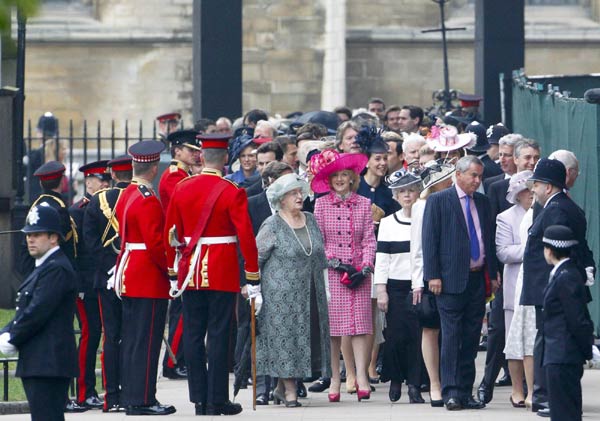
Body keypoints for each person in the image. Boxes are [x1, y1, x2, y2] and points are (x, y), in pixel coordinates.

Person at [164, 133, 260, 416]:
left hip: (190, 271)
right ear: (227, 159)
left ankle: (198, 399)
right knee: (218, 335)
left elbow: (171, 233)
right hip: (221, 271)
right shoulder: (232, 191)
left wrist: (172, 271)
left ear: (202, 157)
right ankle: (216, 399)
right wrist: (252, 276)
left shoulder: (183, 187)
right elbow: (246, 237)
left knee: (193, 335)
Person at [422, 155, 498, 410]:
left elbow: (488, 239)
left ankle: (466, 391)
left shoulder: (484, 203)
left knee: (471, 337)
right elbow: (429, 240)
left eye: (480, 176)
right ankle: (451, 391)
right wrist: (432, 275)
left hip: (478, 279)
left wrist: (493, 273)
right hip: (450, 279)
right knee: (452, 336)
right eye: (473, 176)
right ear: (459, 173)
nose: (477, 181)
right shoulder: (439, 200)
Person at [521, 158, 595, 417]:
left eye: (537, 184)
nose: (534, 189)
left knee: (551, 341)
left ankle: (547, 397)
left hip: (552, 289)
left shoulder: (557, 210)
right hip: (553, 286)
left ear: (549, 187)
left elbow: (569, 248)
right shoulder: (560, 206)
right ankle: (548, 396)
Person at [255, 173, 331, 407]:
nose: (299, 196)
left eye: (300, 192)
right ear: (281, 199)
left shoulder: (310, 219)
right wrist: (253, 290)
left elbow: (320, 253)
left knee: (304, 339)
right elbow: (256, 258)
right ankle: (290, 392)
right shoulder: (272, 224)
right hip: (280, 294)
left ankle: (279, 388)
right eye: (293, 193)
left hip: (310, 291)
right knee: (284, 339)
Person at [114, 140, 176, 416]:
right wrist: (171, 270)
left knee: (133, 340)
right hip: (147, 278)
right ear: (153, 168)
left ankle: (132, 395)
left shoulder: (127, 193)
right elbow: (155, 245)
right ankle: (143, 400)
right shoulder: (148, 199)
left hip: (130, 273)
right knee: (148, 341)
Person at [0, 205, 78, 421]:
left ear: (54, 237)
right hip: (41, 361)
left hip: (49, 362)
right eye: (28, 235)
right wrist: (6, 331)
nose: (30, 240)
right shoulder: (44, 267)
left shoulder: (56, 268)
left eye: (37, 234)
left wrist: (13, 337)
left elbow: (38, 311)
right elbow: (26, 308)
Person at [311, 150, 375, 402]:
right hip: (333, 273)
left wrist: (366, 266)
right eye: (334, 175)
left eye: (344, 175)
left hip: (359, 272)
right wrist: (336, 264)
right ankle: (336, 378)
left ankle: (361, 377)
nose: (339, 179)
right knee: (334, 330)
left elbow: (369, 239)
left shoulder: (364, 203)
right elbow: (318, 242)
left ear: (352, 177)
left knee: (360, 326)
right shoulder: (320, 204)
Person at [83, 155, 133, 412]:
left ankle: (112, 396)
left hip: (105, 278)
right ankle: (132, 391)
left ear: (112, 175)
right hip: (134, 276)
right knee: (132, 337)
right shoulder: (141, 197)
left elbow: (90, 245)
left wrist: (110, 267)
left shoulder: (96, 202)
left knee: (111, 338)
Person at [374, 171, 425, 404]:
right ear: (395, 195)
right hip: (395, 286)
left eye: (412, 190)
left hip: (420, 286)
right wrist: (381, 290)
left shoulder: (426, 219)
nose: (407, 195)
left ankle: (415, 385)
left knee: (417, 336)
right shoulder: (387, 223)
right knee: (395, 337)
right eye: (402, 191)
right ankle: (395, 379)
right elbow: (382, 259)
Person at [410, 160, 456, 406]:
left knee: (451, 332)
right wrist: (419, 282)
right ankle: (435, 383)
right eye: (447, 180)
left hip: (455, 274)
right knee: (431, 329)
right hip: (430, 277)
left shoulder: (457, 201)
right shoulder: (421, 206)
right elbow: (416, 248)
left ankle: (452, 381)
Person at [69, 160, 111, 410]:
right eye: (99, 179)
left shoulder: (107, 207)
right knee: (89, 333)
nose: (104, 183)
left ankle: (106, 387)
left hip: (102, 280)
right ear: (88, 182)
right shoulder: (78, 210)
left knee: (104, 333)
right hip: (85, 284)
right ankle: (84, 391)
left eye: (107, 179)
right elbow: (77, 252)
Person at [541, 225, 594, 421]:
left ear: (549, 250)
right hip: (560, 354)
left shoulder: (566, 276)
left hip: (563, 355)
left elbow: (577, 319)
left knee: (564, 413)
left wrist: (587, 349)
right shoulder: (566, 273)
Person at [495, 171, 534, 408]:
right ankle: (517, 389)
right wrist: (531, 250)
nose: (530, 194)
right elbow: (503, 252)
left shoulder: (543, 213)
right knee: (514, 340)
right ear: (517, 194)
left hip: (538, 284)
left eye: (532, 189)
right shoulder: (506, 217)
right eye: (526, 191)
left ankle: (535, 387)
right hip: (514, 283)